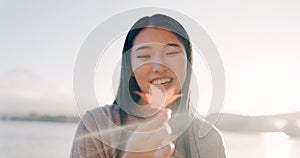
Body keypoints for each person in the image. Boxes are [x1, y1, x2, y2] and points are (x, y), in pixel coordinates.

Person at [71, 14, 226, 158]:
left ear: (188, 62)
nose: (158, 66)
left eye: (171, 53)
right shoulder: (97, 125)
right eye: (144, 56)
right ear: (129, 66)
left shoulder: (210, 139)